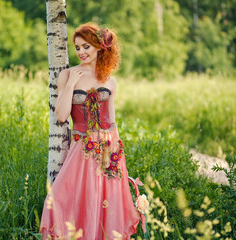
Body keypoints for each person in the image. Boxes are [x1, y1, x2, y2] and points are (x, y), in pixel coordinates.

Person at [40, 23, 141, 239]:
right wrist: (71, 85)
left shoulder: (109, 81)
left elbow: (112, 121)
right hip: (82, 149)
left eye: (86, 47)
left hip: (107, 149)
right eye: (77, 48)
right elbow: (61, 115)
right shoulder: (67, 75)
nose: (81, 52)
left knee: (106, 202)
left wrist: (117, 154)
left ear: (97, 47)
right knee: (60, 198)